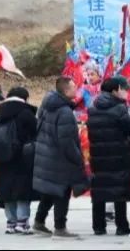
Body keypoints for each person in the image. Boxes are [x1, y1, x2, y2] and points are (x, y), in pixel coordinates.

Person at [32, 76, 88, 239]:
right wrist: (78, 158)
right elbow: (67, 142)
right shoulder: (64, 111)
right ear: (65, 91)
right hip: (59, 158)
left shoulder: (47, 105)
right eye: (73, 87)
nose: (76, 89)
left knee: (50, 190)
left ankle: (39, 221)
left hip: (46, 153)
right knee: (62, 191)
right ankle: (60, 227)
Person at [87, 77, 130, 237]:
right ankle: (122, 225)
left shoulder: (92, 109)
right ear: (115, 90)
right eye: (122, 89)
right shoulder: (120, 109)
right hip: (118, 154)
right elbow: (129, 129)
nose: (124, 92)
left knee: (99, 188)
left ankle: (98, 226)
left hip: (98, 155)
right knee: (119, 189)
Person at [0, 87, 38, 235]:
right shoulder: (25, 112)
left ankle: (11, 222)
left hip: (4, 155)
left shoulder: (2, 111)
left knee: (7, 188)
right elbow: (36, 129)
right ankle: (22, 222)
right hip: (22, 155)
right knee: (22, 188)